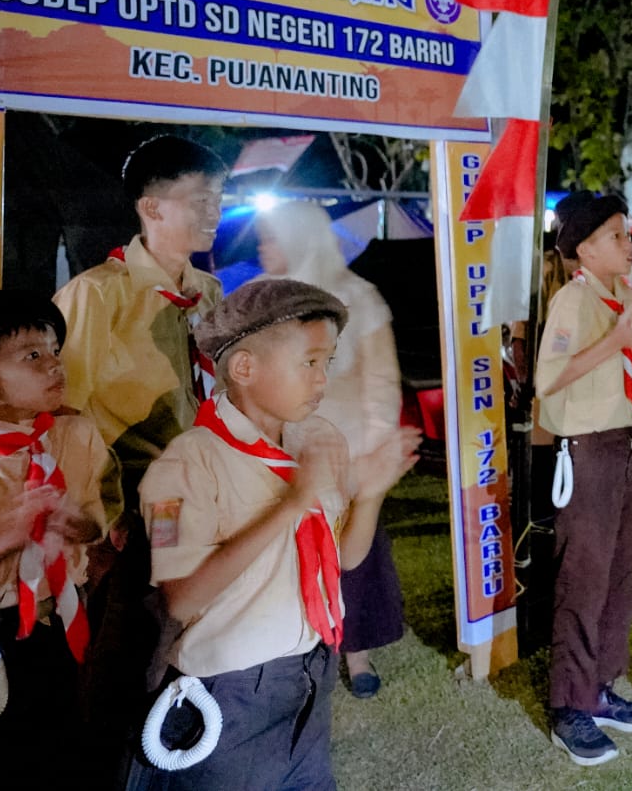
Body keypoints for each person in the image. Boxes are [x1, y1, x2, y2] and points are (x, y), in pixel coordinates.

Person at [125, 279, 419, 789]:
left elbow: (342, 560)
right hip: (231, 695)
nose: (322, 379)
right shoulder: (187, 466)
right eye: (309, 362)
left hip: (309, 674)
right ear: (245, 369)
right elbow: (181, 599)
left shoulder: (318, 439)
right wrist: (291, 505)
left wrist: (370, 495)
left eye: (328, 362)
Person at [53, 135, 228, 773]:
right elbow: (64, 418)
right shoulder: (97, 296)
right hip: (133, 518)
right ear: (151, 208)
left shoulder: (210, 293)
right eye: (199, 198)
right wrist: (104, 521)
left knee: (196, 650)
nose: (215, 211)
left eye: (220, 197)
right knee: (131, 664)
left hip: (205, 504)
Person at [0, 291, 114, 788]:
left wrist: (77, 524)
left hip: (64, 623)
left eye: (54, 351)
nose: (54, 365)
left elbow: (96, 525)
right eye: (32, 356)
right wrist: (8, 540)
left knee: (68, 758)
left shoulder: (76, 436)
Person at [256, 200, 405, 699]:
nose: (263, 247)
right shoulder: (259, 301)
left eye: (272, 237)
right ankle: (295, 646)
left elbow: (381, 381)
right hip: (280, 457)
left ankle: (356, 652)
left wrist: (370, 458)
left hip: (347, 457)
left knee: (352, 561)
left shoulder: (357, 298)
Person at [535, 193, 632, 766]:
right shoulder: (573, 300)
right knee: (584, 578)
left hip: (625, 441)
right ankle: (569, 705)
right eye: (615, 236)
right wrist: (616, 341)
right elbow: (548, 379)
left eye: (626, 234)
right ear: (583, 250)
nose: (628, 244)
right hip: (589, 449)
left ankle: (601, 687)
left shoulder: (624, 298)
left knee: (621, 574)